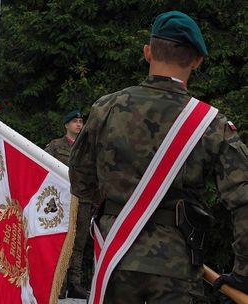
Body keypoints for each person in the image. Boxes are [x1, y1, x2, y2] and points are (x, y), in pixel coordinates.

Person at [69, 11, 248, 303]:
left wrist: (118, 208)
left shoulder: (106, 108)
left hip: (115, 257)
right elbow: (244, 199)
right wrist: (243, 273)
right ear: (197, 60)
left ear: (148, 52)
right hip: (176, 265)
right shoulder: (211, 125)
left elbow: (81, 182)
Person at [45, 110, 90, 299]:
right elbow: (45, 167)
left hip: (83, 200)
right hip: (62, 201)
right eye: (74, 122)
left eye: (80, 121)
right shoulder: (56, 146)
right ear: (66, 125)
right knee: (62, 240)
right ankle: (59, 283)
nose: (79, 125)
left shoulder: (88, 148)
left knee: (79, 242)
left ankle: (75, 284)